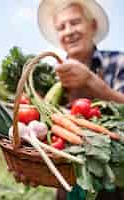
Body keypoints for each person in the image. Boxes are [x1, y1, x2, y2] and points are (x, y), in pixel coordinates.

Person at [37, 0, 124, 199]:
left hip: (116, 181)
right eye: (61, 27)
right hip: (67, 184)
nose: (68, 31)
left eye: (75, 22)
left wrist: (92, 81)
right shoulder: (51, 77)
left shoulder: (119, 62)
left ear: (92, 26)